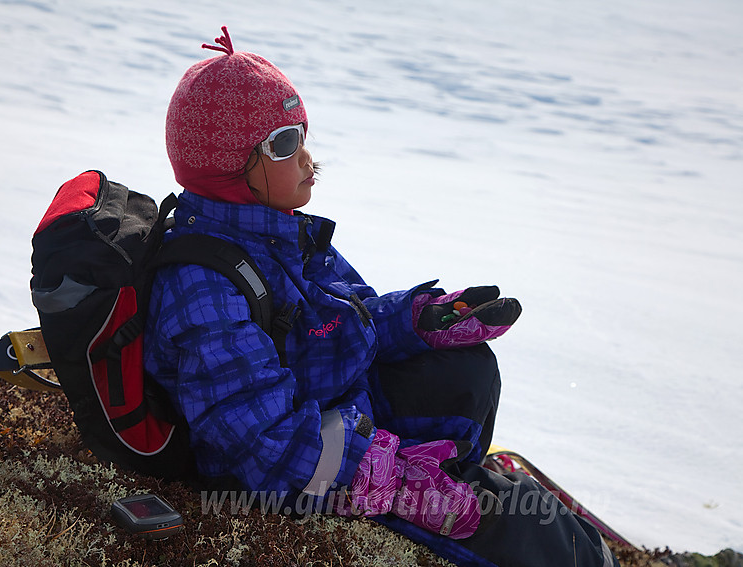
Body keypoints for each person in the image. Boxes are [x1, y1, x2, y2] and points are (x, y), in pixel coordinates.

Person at [144, 26, 618, 567]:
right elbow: (259, 445)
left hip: (335, 411)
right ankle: (467, 514)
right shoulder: (203, 285)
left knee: (464, 371)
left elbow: (338, 324)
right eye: (283, 143)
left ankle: (455, 481)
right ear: (227, 167)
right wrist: (393, 482)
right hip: (297, 472)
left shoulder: (278, 231)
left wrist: (417, 321)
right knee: (534, 541)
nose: (304, 157)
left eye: (302, 132)